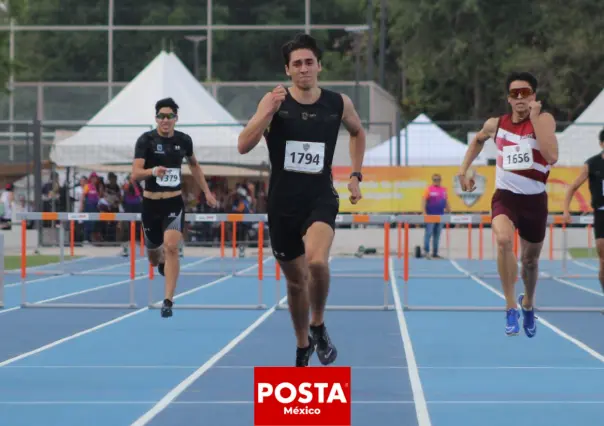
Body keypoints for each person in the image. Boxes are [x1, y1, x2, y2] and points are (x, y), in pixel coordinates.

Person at [237, 34, 365, 367]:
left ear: (319, 66)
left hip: (319, 197)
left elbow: (357, 132)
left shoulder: (338, 103)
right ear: (288, 70)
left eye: (309, 62)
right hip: (282, 205)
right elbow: (243, 145)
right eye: (297, 64)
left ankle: (318, 324)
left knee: (317, 262)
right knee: (295, 282)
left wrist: (355, 174)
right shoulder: (274, 102)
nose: (304, 69)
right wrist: (266, 112)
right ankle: (302, 343)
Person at [458, 71, 558, 337]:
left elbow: (552, 156)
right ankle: (510, 305)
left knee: (530, 261)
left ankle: (528, 303)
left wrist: (535, 118)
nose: (521, 98)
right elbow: (478, 140)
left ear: (534, 96)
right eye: (515, 94)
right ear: (509, 99)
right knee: (503, 240)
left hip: (535, 200)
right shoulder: (496, 124)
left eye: (526, 93)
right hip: (506, 197)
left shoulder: (545, 121)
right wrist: (464, 170)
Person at [132, 97, 217, 318]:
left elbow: (195, 166)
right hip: (151, 204)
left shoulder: (184, 140)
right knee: (153, 258)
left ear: (176, 118)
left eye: (169, 116)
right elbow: (135, 173)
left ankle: (168, 300)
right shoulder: (146, 140)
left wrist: (207, 192)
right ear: (156, 118)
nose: (165, 120)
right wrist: (152, 171)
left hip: (173, 202)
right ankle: (160, 261)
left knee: (171, 247)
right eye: (161, 116)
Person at [562, 128, 604, 295]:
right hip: (601, 214)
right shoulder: (592, 164)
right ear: (601, 144)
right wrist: (566, 211)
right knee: (602, 259)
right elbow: (572, 187)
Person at [423, 173, 450, 259]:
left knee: (437, 235)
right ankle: (426, 252)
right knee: (428, 233)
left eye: (438, 179)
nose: (436, 181)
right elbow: (424, 200)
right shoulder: (429, 189)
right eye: (434, 179)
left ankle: (435, 253)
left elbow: (445, 201)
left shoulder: (443, 190)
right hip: (430, 215)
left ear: (440, 180)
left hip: (440, 215)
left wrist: (449, 210)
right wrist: (424, 212)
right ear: (432, 180)